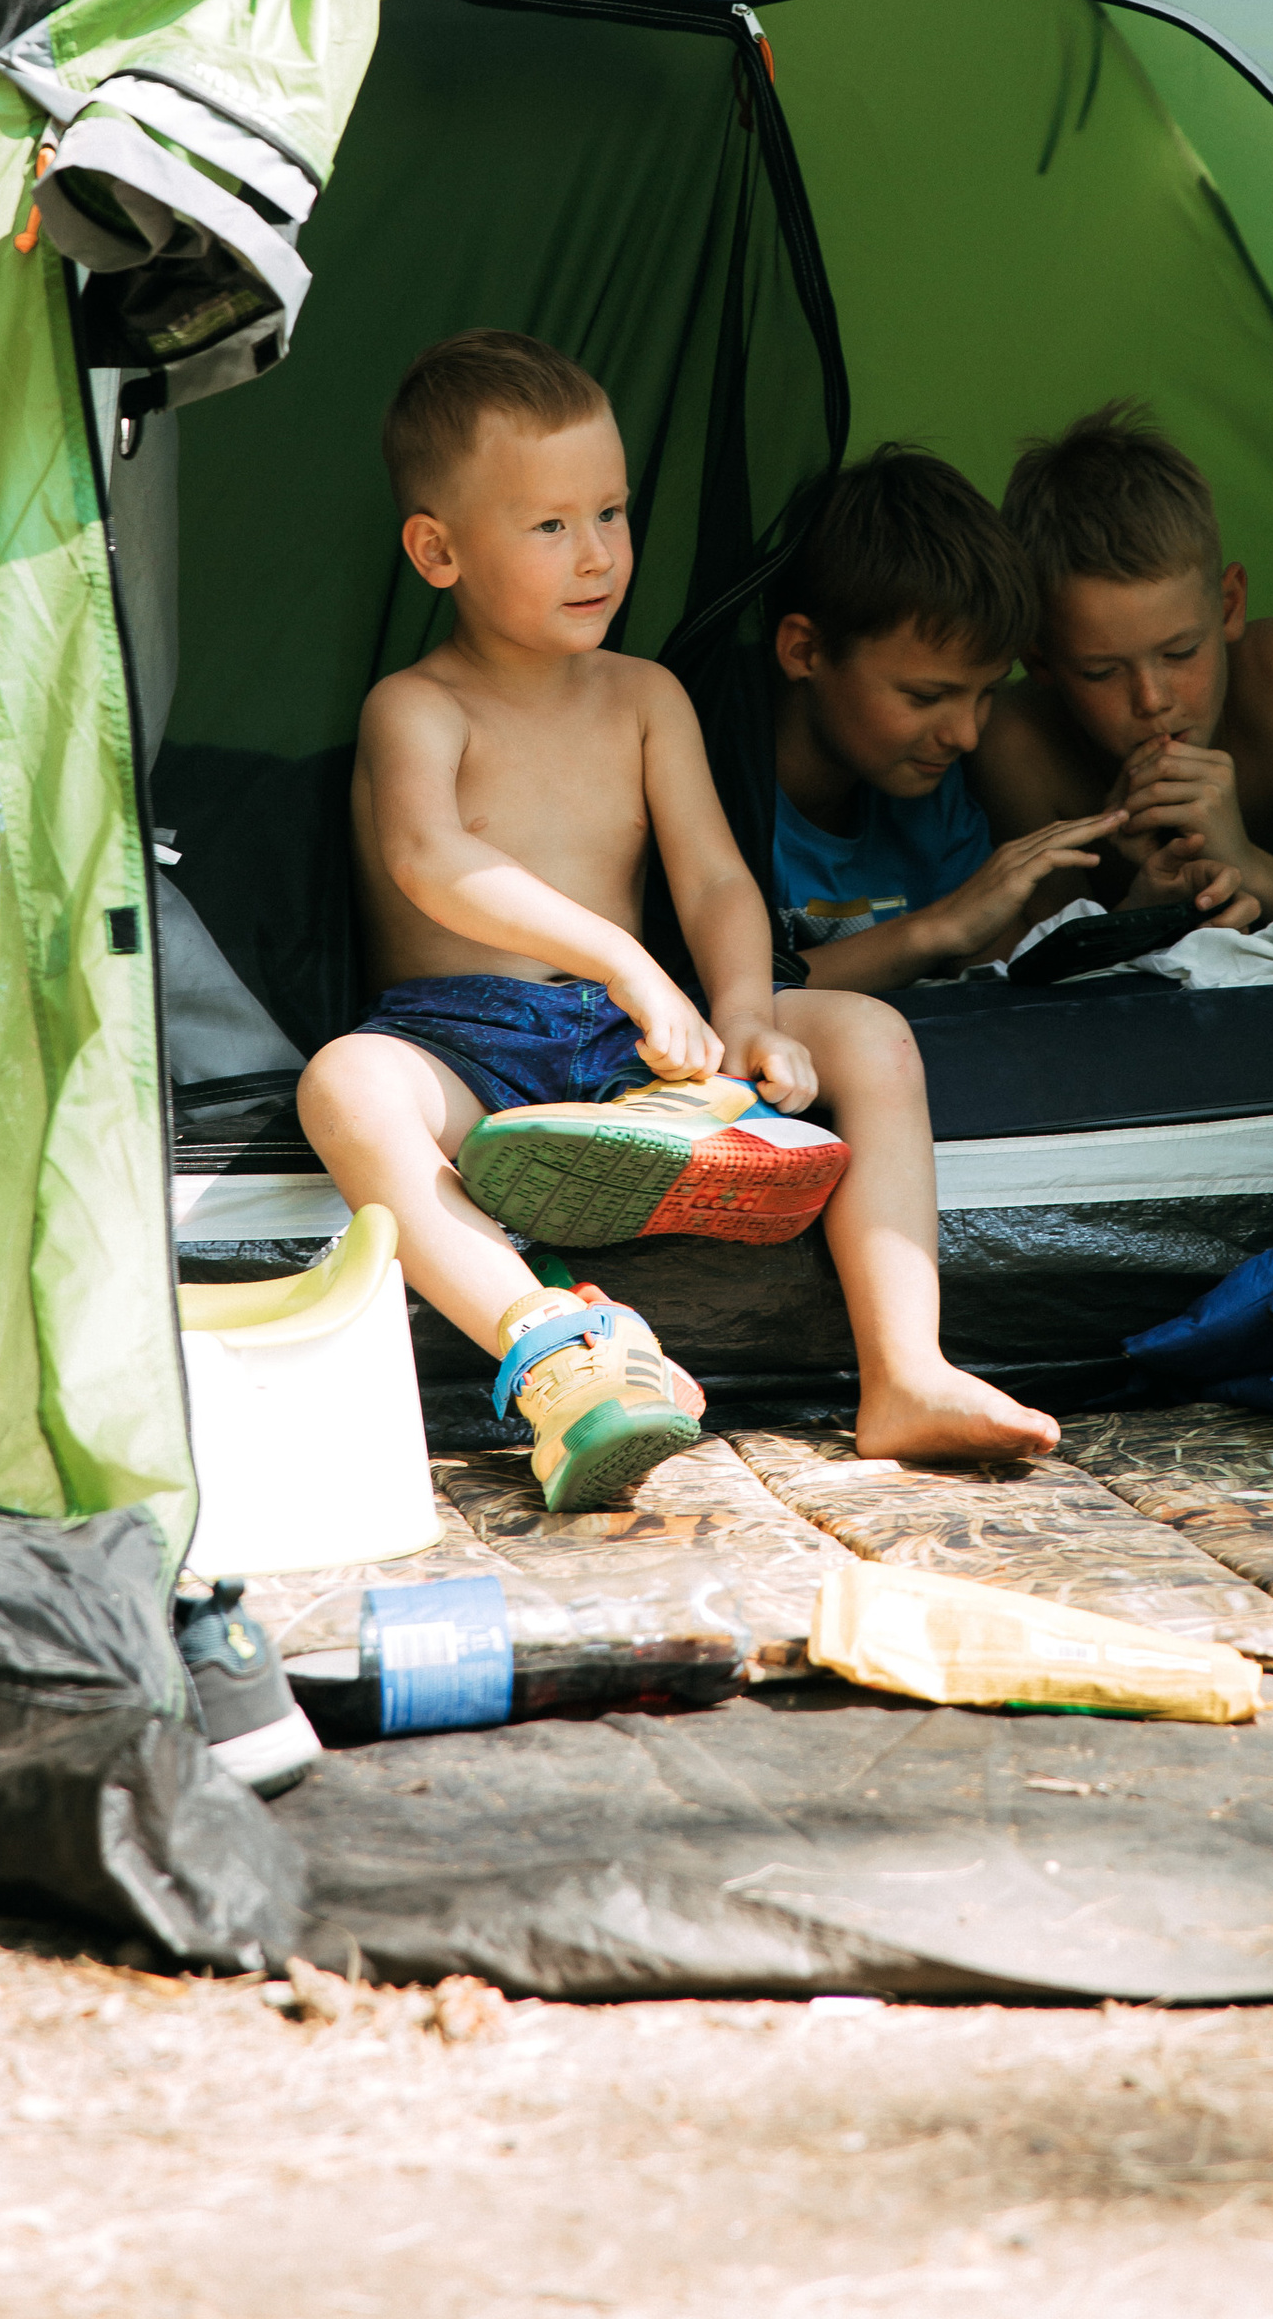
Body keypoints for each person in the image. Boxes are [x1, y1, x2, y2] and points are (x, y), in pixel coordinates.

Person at [297, 333, 1058, 1510]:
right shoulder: (417, 707)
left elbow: (712, 881)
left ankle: (906, 1368)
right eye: (549, 525)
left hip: (624, 1040)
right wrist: (623, 960)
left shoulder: (648, 697)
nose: (597, 554)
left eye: (611, 512)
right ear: (438, 552)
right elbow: (432, 862)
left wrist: (745, 1011)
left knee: (869, 1034)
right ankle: (554, 1346)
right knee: (346, 1086)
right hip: (461, 1042)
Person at [977, 400, 1273, 929]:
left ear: (1229, 606)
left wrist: (1245, 865)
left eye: (1181, 652)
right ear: (1038, 659)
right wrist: (1144, 891)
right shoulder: (1017, 741)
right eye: (1101, 673)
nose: (1152, 700)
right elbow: (1047, 957)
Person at [769, 444, 1129, 994]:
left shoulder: (931, 799)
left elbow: (1002, 968)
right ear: (805, 651)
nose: (966, 735)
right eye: (926, 696)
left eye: (987, 693)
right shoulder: (710, 783)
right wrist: (935, 930)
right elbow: (705, 995)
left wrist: (1143, 910)